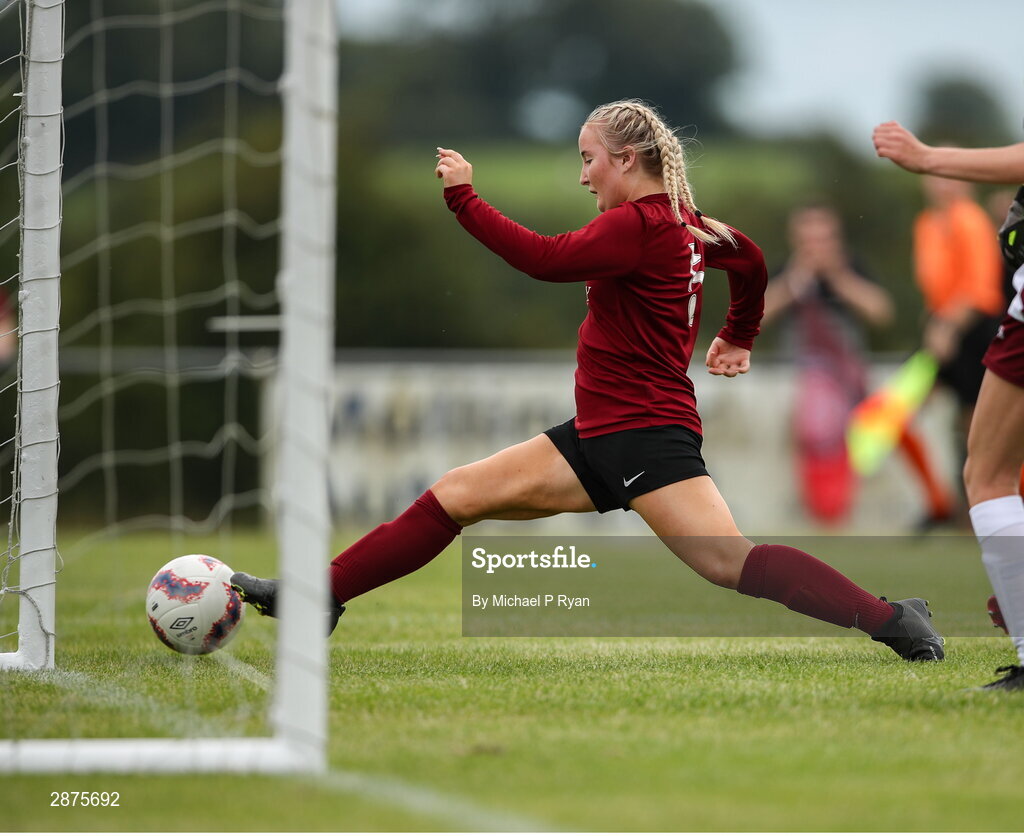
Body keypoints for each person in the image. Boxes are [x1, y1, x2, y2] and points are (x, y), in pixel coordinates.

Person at [231, 101, 944, 662]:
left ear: (626, 159)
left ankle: (893, 619)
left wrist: (463, 199)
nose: (582, 176)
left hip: (644, 436)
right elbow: (753, 262)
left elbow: (542, 259)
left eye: (589, 159)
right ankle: (317, 596)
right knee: (453, 496)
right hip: (599, 433)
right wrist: (738, 333)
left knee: (731, 562)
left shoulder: (640, 225)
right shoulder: (689, 223)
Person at [873, 120, 1024, 689]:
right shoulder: (927, 223)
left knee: (986, 461)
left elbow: (981, 287)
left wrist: (926, 156)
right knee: (888, 421)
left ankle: (968, 518)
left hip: (973, 329)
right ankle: (940, 505)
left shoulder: (966, 218)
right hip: (944, 333)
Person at [762, 204, 953, 527]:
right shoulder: (786, 272)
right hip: (803, 379)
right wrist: (794, 283)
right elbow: (757, 316)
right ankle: (827, 509)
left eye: (823, 239)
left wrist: (840, 279)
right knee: (820, 428)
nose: (816, 248)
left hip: (851, 379)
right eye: (809, 240)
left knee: (889, 431)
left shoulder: (851, 268)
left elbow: (881, 313)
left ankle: (935, 504)